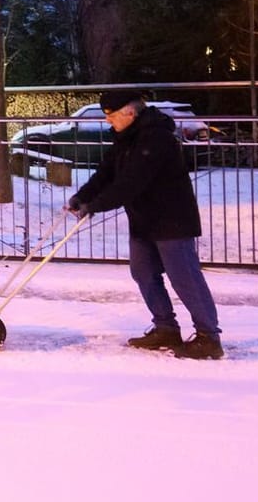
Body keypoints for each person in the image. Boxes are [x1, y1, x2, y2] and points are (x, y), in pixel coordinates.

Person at [65, 89, 223, 359]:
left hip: (172, 219)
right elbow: (107, 172)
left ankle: (209, 336)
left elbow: (132, 183)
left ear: (130, 112)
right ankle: (165, 327)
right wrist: (83, 196)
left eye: (111, 115)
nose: (108, 121)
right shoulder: (125, 138)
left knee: (184, 277)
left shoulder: (157, 138)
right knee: (143, 272)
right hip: (144, 220)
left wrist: (96, 205)